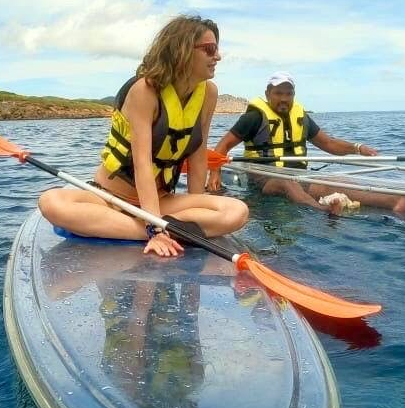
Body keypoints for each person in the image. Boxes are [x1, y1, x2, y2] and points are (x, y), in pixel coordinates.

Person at [39, 14, 249, 257]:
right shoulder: (145, 91)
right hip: (111, 199)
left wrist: (198, 205)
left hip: (161, 201)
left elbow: (198, 157)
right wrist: (153, 228)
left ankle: (130, 227)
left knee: (236, 212)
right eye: (209, 49)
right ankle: (159, 230)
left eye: (217, 49)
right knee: (51, 202)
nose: (218, 57)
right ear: (181, 51)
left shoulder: (208, 93)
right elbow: (141, 163)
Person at [207, 72, 405, 214]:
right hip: (264, 179)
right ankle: (323, 211)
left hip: (299, 176)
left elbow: (328, 144)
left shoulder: (301, 118)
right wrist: (214, 173)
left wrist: (357, 148)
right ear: (268, 94)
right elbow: (222, 146)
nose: (284, 99)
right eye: (279, 93)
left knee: (337, 183)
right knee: (287, 182)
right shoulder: (253, 118)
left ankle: (395, 202)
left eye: (289, 94)